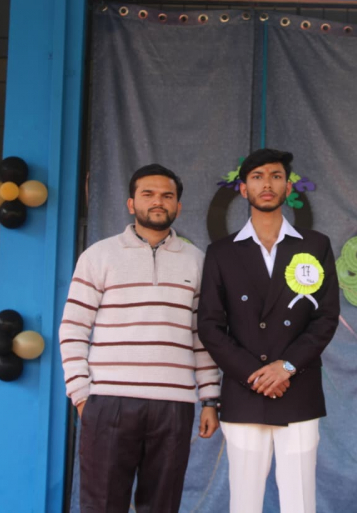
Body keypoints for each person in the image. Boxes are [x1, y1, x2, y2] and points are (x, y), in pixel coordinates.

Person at [59, 163, 221, 513]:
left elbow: (203, 337)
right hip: (109, 401)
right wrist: (81, 395)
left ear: (178, 206)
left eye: (167, 195)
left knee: (162, 505)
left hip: (174, 405)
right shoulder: (99, 255)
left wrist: (210, 399)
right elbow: (72, 327)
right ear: (131, 203)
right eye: (148, 194)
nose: (158, 201)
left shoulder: (197, 261)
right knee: (102, 504)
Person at [198, 148, 339, 513]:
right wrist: (255, 374)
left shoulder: (315, 245)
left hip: (298, 387)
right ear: (243, 189)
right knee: (244, 503)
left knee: (300, 502)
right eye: (257, 177)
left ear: (288, 187)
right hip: (245, 390)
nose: (267, 184)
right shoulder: (221, 252)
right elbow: (210, 325)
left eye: (276, 176)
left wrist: (286, 367)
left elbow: (326, 317)